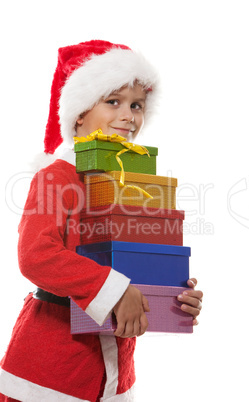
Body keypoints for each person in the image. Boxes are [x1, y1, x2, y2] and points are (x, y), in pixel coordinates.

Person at [0, 40, 203, 402]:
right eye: (114, 101)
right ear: (79, 113)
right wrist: (117, 289)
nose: (129, 116)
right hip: (50, 369)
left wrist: (171, 298)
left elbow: (129, 264)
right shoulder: (57, 176)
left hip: (114, 373)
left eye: (136, 105)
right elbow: (36, 254)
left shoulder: (127, 183)